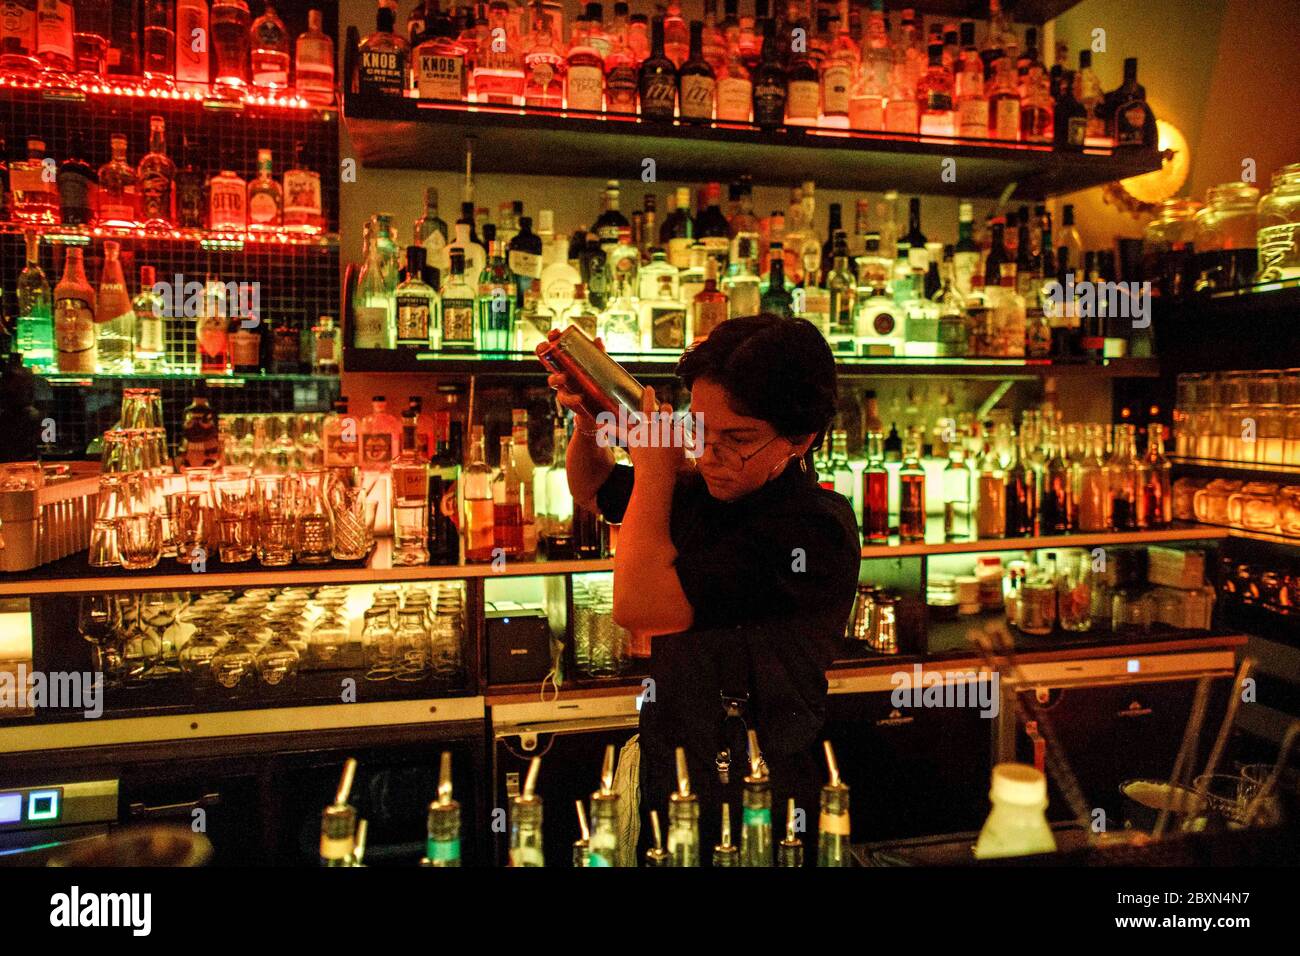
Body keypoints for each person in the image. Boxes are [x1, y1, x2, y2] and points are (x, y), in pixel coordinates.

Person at [548, 315, 860, 863]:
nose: (710, 453)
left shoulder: (813, 530)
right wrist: (589, 421)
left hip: (761, 796)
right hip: (674, 773)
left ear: (801, 438)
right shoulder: (703, 490)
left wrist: (654, 468)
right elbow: (593, 488)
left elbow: (638, 605)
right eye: (701, 429)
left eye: (737, 438)